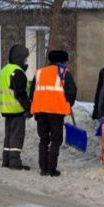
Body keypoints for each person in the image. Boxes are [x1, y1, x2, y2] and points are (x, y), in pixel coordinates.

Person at [30, 49, 76, 177]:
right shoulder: (64, 73)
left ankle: (43, 168)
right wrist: (68, 104)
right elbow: (71, 92)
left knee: (43, 139)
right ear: (63, 61)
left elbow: (31, 92)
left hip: (40, 111)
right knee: (56, 140)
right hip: (56, 112)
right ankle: (51, 169)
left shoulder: (39, 73)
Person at [0, 43, 32, 170]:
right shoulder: (17, 72)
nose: (26, 61)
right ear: (19, 58)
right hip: (17, 110)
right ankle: (15, 162)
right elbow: (21, 94)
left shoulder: (4, 70)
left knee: (9, 136)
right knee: (17, 136)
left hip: (6, 110)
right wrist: (28, 108)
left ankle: (6, 160)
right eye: (25, 58)